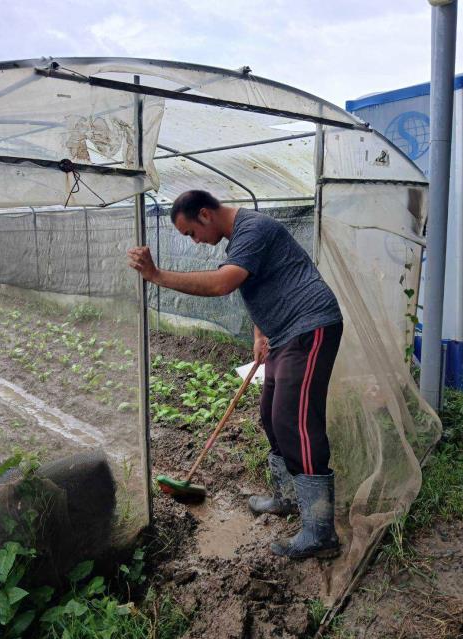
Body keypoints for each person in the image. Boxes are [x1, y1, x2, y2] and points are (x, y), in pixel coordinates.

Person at [127, 189, 344, 559]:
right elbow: (262, 285)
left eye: (191, 234)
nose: (195, 242)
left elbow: (222, 283)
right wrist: (261, 332)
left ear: (205, 215)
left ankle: (322, 532)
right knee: (272, 416)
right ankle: (289, 498)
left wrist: (157, 276)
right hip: (284, 334)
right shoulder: (240, 237)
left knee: (296, 422)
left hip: (310, 327)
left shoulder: (252, 229)